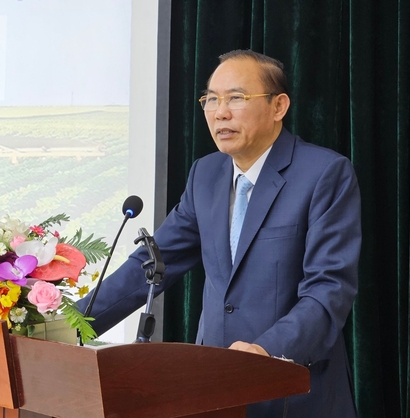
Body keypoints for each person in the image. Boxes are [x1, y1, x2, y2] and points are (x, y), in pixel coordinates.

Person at [77, 50, 360, 418]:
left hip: (291, 390)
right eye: (211, 99)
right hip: (212, 393)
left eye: (236, 98)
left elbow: (329, 290)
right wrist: (69, 326)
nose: (219, 112)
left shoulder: (324, 173)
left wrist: (265, 351)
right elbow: (149, 266)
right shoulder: (206, 174)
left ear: (279, 106)